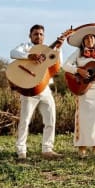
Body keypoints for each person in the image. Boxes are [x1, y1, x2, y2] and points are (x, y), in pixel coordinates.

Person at [10, 24, 67, 160]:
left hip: (45, 87)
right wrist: (30, 55)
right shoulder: (25, 46)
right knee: (25, 120)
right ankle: (21, 151)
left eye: (41, 34)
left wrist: (59, 48)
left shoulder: (48, 49)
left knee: (50, 119)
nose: (38, 36)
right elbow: (12, 53)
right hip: (29, 88)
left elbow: (59, 64)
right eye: (36, 34)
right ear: (30, 36)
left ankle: (47, 149)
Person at [62, 23, 95, 158]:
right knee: (83, 117)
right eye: (87, 39)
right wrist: (78, 70)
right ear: (83, 41)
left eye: (92, 38)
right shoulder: (78, 53)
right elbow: (65, 66)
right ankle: (82, 147)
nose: (89, 41)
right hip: (83, 87)